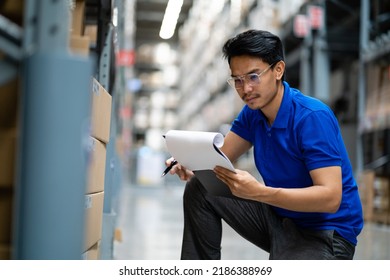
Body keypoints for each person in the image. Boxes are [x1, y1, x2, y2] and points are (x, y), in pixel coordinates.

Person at [165, 29, 363, 260]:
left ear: (278, 70)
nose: (245, 89)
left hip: (325, 233)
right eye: (237, 80)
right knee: (201, 187)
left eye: (253, 76)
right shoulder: (253, 113)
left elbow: (330, 198)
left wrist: (260, 193)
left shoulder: (311, 117)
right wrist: (189, 162)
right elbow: (219, 159)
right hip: (280, 220)